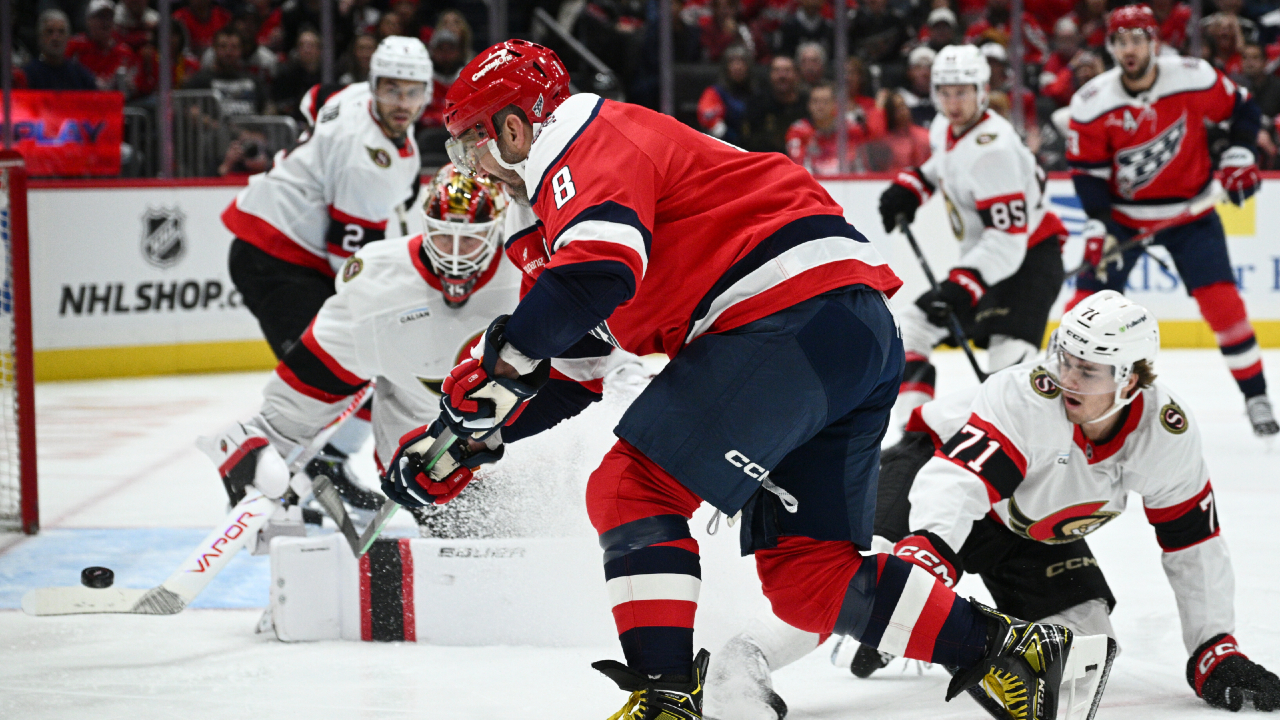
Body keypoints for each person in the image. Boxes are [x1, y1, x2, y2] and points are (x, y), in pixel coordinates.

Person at [393, 38, 1115, 720]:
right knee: (810, 580)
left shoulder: (580, 136)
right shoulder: (560, 202)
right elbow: (574, 367)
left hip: (781, 317)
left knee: (629, 486)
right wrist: (465, 435)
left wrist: (498, 363)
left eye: (472, 142)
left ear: (518, 128)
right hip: (847, 333)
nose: (471, 163)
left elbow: (590, 280)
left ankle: (666, 694)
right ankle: (1012, 654)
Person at [708, 292, 1280, 717]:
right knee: (867, 577)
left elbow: (1194, 546)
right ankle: (745, 660)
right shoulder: (1029, 394)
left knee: (1087, 651)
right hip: (931, 470)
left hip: (1026, 523)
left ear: (1131, 381)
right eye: (1066, 358)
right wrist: (925, 555)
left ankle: (921, 635)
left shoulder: (1167, 434)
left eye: (1089, 369)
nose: (1068, 377)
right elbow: (961, 479)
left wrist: (1214, 649)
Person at [200, 166, 584, 536]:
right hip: (425, 466)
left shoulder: (530, 266)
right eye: (442, 236)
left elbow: (589, 364)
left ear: (496, 230)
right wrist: (265, 447)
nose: (454, 254)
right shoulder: (379, 283)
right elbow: (316, 378)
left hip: (518, 449)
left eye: (468, 238)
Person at [219, 37, 430, 509]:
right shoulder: (365, 163)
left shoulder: (350, 95)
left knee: (362, 363)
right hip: (272, 259)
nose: (402, 103)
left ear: (427, 93)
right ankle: (259, 484)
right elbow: (349, 266)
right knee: (333, 368)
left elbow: (313, 98)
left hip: (286, 250)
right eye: (392, 90)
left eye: (412, 91)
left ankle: (325, 465)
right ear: (375, 85)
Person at [1066, 4, 1279, 436]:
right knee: (1085, 310)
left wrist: (1240, 153)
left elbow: (1244, 109)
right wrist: (1098, 224)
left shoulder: (1192, 75)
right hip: (1124, 219)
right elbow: (1088, 172)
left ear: (1154, 42)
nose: (1130, 49)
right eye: (1121, 41)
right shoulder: (1092, 102)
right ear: (1110, 47)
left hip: (1189, 213)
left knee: (1224, 307)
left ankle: (1256, 396)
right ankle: (1064, 394)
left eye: (1137, 39)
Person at [878, 44, 1067, 428]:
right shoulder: (945, 128)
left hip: (1029, 263)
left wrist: (963, 284)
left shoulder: (993, 150)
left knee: (1007, 369)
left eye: (962, 91)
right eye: (945, 92)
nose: (953, 102)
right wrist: (914, 186)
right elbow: (946, 164)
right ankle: (913, 433)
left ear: (982, 91)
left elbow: (1009, 240)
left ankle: (1037, 444)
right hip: (990, 261)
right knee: (912, 327)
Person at [182, 28, 268, 116]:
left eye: (234, 47)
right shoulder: (199, 81)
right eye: (223, 46)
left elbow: (267, 108)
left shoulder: (254, 80)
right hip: (215, 128)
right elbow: (187, 110)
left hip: (252, 128)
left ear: (241, 50)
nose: (228, 52)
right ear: (214, 48)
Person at [742, 55, 809, 153]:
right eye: (777, 71)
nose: (782, 76)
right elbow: (748, 142)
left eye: (787, 71)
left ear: (797, 75)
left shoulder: (807, 103)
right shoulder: (757, 104)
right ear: (770, 75)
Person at [23, 9, 98, 91]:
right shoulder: (28, 75)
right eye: (50, 32)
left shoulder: (81, 76)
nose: (55, 38)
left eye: (61, 32)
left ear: (68, 37)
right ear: (40, 37)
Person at [697, 44, 754, 144]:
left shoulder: (757, 91)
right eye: (733, 62)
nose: (738, 67)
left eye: (742, 62)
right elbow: (708, 118)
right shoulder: (715, 93)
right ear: (726, 67)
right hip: (728, 145)